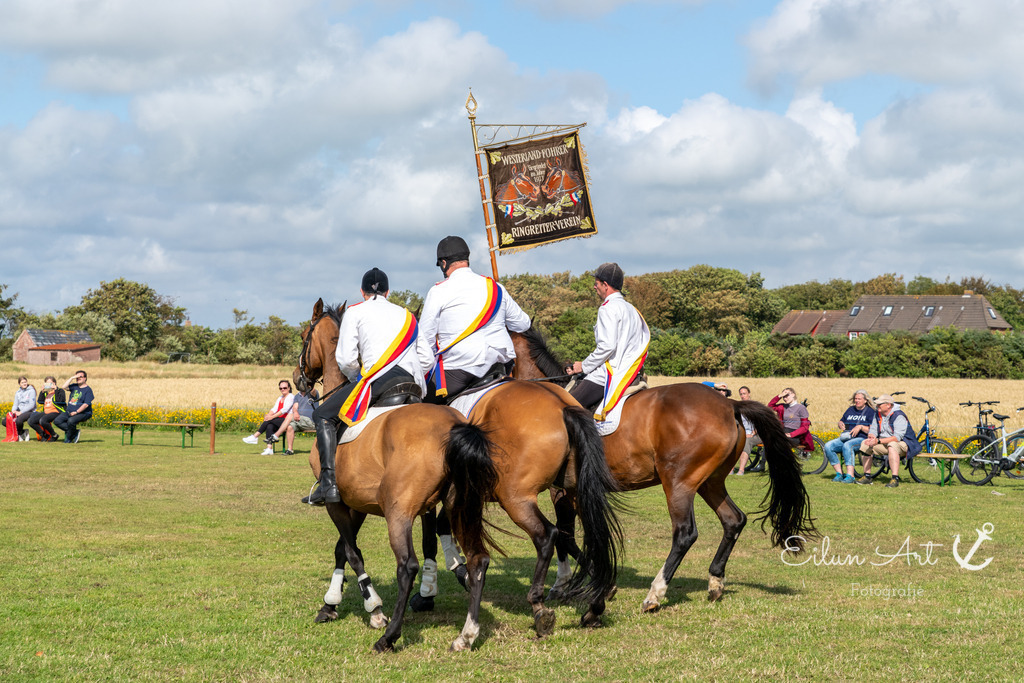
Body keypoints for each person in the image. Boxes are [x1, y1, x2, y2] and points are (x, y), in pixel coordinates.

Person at [308, 267, 426, 505]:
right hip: (412, 384)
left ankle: (328, 485)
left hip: (378, 382)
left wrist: (356, 379)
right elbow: (426, 358)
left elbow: (346, 359)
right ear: (388, 292)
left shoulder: (355, 312)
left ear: (362, 292)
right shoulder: (407, 316)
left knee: (322, 414)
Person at [416, 236, 530, 401]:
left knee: (420, 405)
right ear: (466, 259)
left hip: (458, 370)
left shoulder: (438, 291)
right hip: (499, 367)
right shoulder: (495, 287)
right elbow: (523, 324)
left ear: (443, 263)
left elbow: (425, 340)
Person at [566, 263, 650, 418]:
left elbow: (607, 347)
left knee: (566, 409)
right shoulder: (632, 309)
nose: (594, 287)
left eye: (596, 283)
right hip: (633, 372)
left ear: (605, 285)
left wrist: (583, 366)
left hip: (609, 374)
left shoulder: (607, 308)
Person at [857, 394, 920, 488]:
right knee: (865, 444)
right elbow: (873, 429)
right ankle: (867, 476)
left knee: (892, 445)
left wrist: (878, 441)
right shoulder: (877, 414)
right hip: (884, 442)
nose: (877, 406)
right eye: (877, 404)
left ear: (888, 405)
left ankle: (895, 478)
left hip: (904, 443)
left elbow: (897, 438)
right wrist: (871, 437)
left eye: (880, 404)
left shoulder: (899, 416)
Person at [823, 390, 876, 484]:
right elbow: (842, 421)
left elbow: (873, 430)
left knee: (848, 445)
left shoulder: (870, 412)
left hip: (862, 438)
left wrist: (861, 427)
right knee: (828, 446)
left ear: (865, 400)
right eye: (855, 398)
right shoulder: (850, 409)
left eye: (859, 399)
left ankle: (850, 476)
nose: (857, 401)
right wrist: (840, 424)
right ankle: (839, 474)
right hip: (847, 436)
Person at [263, 385, 318, 456]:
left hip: (311, 421)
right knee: (290, 427)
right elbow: (295, 407)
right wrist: (295, 412)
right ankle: (290, 450)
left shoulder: (312, 393)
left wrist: (309, 382)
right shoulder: (297, 396)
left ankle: (276, 436)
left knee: (289, 415)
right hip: (299, 421)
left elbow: (313, 390)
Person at [243, 381, 294, 448]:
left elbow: (284, 410)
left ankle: (255, 436)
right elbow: (274, 409)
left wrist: (271, 417)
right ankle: (269, 448)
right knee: (269, 426)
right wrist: (268, 415)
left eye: (284, 388)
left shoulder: (291, 397)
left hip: (286, 420)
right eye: (280, 388)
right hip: (279, 420)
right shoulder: (280, 398)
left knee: (269, 421)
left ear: (289, 388)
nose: (282, 389)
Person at [53, 370, 93, 443]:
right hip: (69, 411)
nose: (78, 378)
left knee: (71, 421)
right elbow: (64, 387)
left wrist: (76, 412)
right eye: (77, 377)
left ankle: (69, 437)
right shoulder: (74, 386)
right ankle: (73, 432)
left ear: (85, 378)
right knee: (57, 421)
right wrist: (72, 378)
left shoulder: (88, 390)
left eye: (80, 377)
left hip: (83, 413)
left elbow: (86, 404)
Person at [28, 376, 65, 442]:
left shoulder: (60, 391)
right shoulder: (46, 392)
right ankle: (44, 435)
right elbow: (40, 401)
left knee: (43, 420)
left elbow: (60, 400)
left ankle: (54, 435)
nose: (49, 385)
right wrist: (42, 392)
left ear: (54, 383)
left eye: (50, 383)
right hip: (46, 412)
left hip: (56, 411)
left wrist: (55, 390)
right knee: (31, 421)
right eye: (47, 383)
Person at [734, 387, 761, 475]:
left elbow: (760, 422)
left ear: (749, 394)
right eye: (741, 394)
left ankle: (741, 470)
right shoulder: (739, 407)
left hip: (756, 434)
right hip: (743, 433)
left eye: (744, 393)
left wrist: (753, 433)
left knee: (747, 441)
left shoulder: (755, 407)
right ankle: (730, 469)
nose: (742, 396)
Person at [6, 376, 37, 442]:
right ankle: (23, 432)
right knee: (6, 421)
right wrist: (13, 411)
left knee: (19, 420)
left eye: (25, 382)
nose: (24, 384)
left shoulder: (31, 391)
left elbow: (31, 405)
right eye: (22, 382)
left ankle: (19, 434)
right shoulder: (18, 393)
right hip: (20, 411)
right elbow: (15, 404)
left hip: (30, 411)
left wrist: (21, 412)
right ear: (19, 384)